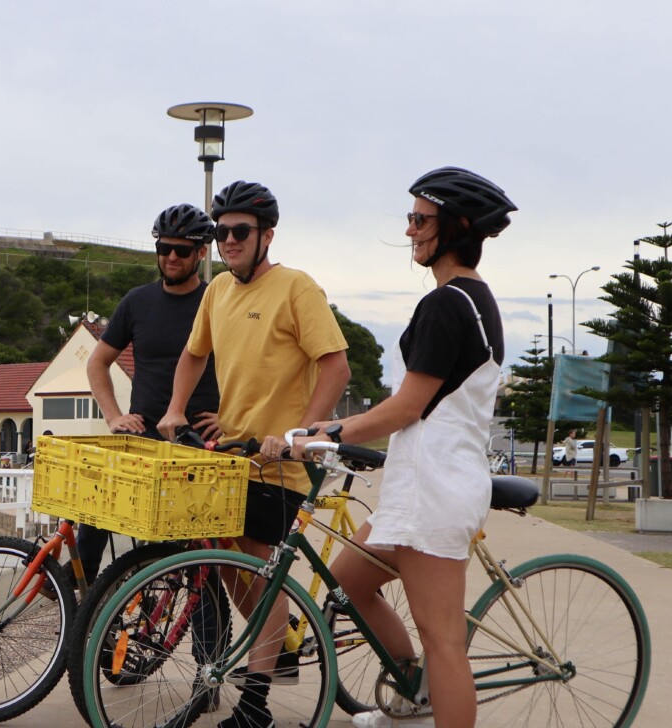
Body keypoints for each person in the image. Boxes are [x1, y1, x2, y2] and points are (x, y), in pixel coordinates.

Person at [292, 166, 516, 728]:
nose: (411, 230)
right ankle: (413, 697)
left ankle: (431, 701)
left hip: (434, 490)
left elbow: (407, 407)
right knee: (348, 587)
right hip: (422, 486)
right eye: (409, 218)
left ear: (458, 227)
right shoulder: (474, 299)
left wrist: (328, 432)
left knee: (445, 642)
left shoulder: (447, 304)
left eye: (420, 219)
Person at [158, 180, 351, 728]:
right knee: (225, 561)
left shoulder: (296, 288)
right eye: (220, 233)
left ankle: (257, 704)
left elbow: (336, 366)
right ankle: (278, 647)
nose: (228, 242)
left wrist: (303, 431)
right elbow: (194, 355)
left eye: (239, 232)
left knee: (259, 576)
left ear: (267, 234)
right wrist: (175, 408)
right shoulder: (218, 292)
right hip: (235, 456)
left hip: (281, 464)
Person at [81, 202, 222, 581]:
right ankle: (80, 590)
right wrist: (113, 417)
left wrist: (231, 417)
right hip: (143, 433)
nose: (172, 257)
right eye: (164, 248)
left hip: (198, 439)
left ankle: (208, 640)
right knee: (95, 498)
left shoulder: (216, 303)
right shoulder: (137, 302)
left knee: (197, 556)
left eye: (182, 250)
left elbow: (246, 366)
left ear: (201, 253)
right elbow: (97, 363)